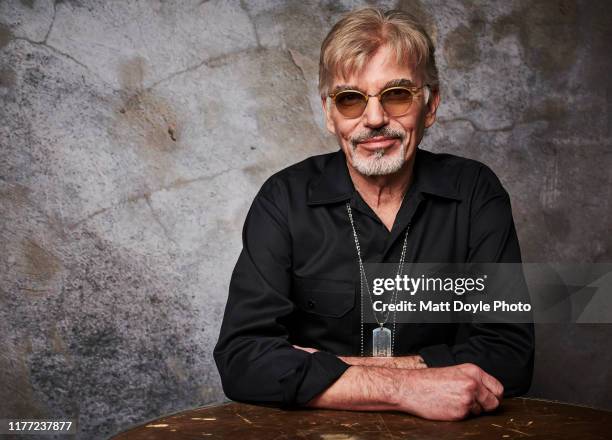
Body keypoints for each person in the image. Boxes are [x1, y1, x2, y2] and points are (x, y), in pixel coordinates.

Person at [213, 7, 534, 421]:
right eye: (350, 99)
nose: (376, 118)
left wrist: (322, 368)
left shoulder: (476, 193)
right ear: (330, 114)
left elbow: (510, 355)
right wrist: (405, 387)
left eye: (397, 94)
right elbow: (242, 359)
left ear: (431, 105)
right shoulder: (283, 199)